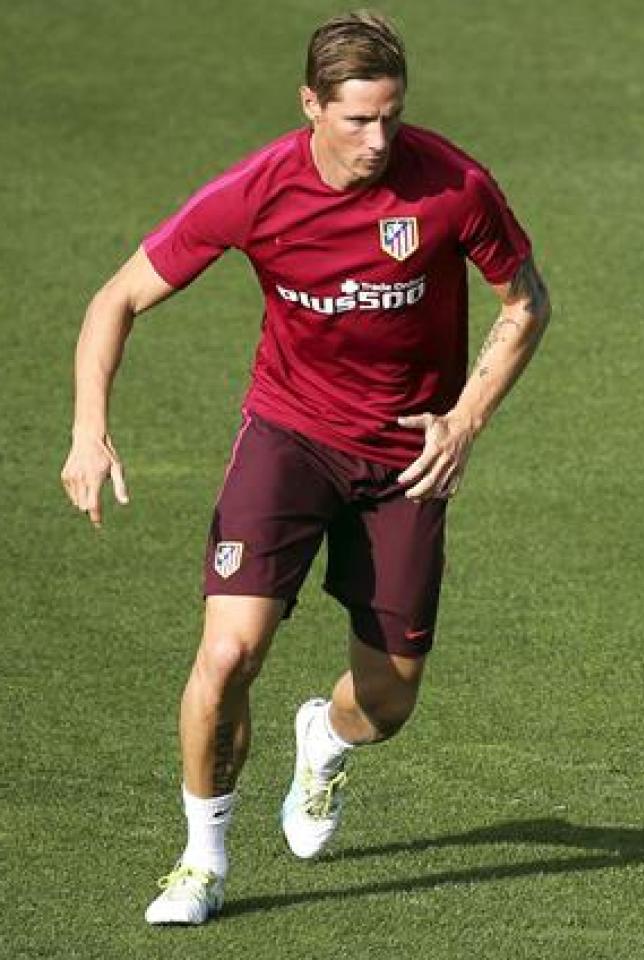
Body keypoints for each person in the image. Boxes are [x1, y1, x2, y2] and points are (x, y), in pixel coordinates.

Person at [58, 10, 551, 926]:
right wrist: (91, 430)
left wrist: (466, 418)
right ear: (310, 106)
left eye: (392, 118)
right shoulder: (256, 192)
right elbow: (116, 297)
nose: (378, 141)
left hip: (406, 452)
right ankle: (201, 860)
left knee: (390, 701)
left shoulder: (454, 185)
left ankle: (322, 741)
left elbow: (526, 300)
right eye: (358, 120)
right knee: (229, 651)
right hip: (289, 435)